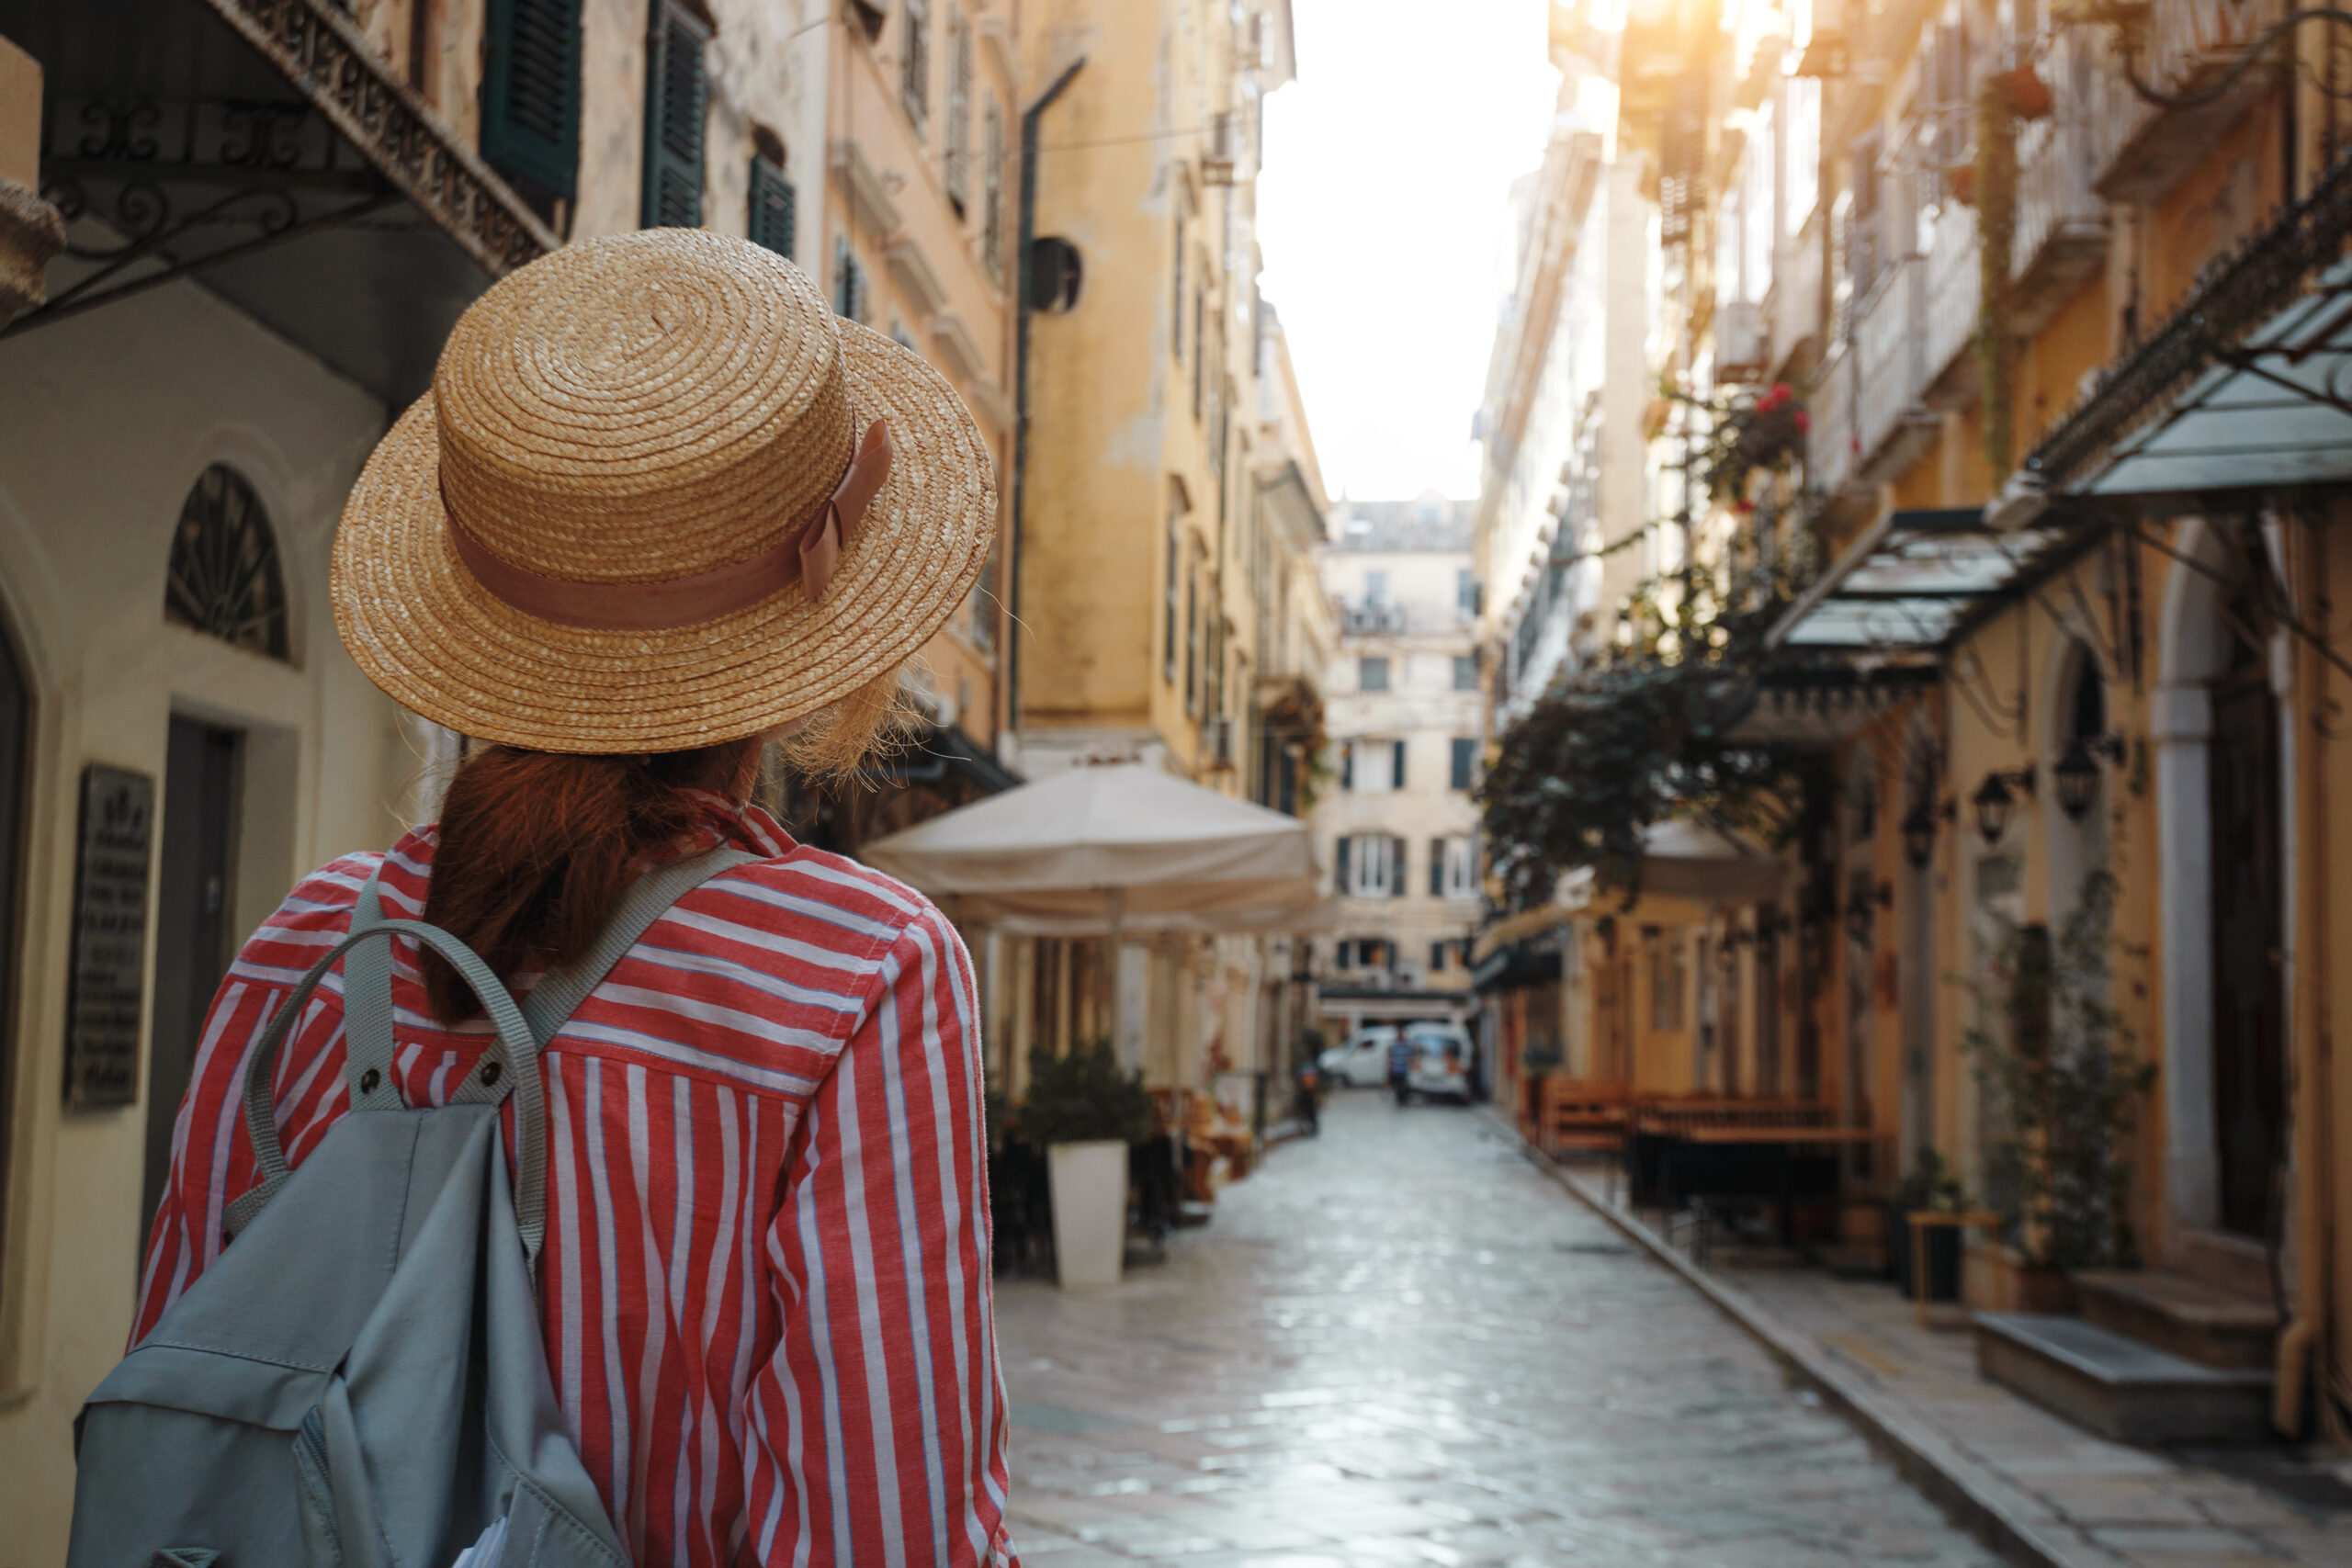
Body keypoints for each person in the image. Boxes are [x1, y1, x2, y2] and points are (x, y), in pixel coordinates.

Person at [133, 231, 1018, 1568]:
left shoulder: (309, 946)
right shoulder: (858, 977)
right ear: (804, 647)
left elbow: (183, 1385)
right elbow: (879, 1524)